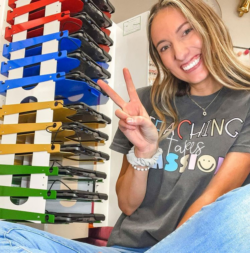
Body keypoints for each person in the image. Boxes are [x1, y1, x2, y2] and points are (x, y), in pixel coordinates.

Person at [1, 0, 250, 252]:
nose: (180, 53)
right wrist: (144, 152)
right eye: (164, 47)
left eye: (187, 31)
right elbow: (128, 205)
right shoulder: (143, 104)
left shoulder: (246, 102)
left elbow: (214, 199)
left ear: (209, 26)